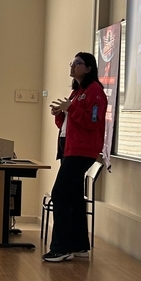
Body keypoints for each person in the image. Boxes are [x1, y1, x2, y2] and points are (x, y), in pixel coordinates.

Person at [44, 51, 108, 263]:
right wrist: (60, 114)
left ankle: (61, 248)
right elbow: (68, 125)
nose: (73, 66)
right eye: (72, 63)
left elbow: (92, 122)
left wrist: (71, 109)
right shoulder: (77, 92)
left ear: (88, 68)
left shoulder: (95, 91)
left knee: (59, 194)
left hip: (81, 151)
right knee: (74, 198)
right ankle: (79, 245)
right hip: (69, 149)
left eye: (78, 63)